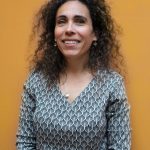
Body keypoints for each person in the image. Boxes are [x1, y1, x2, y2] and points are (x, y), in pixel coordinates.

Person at [16, 0, 131, 149]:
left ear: (95, 33)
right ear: (54, 33)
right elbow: (25, 143)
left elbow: (120, 146)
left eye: (79, 21)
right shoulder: (36, 81)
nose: (69, 29)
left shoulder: (112, 84)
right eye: (62, 22)